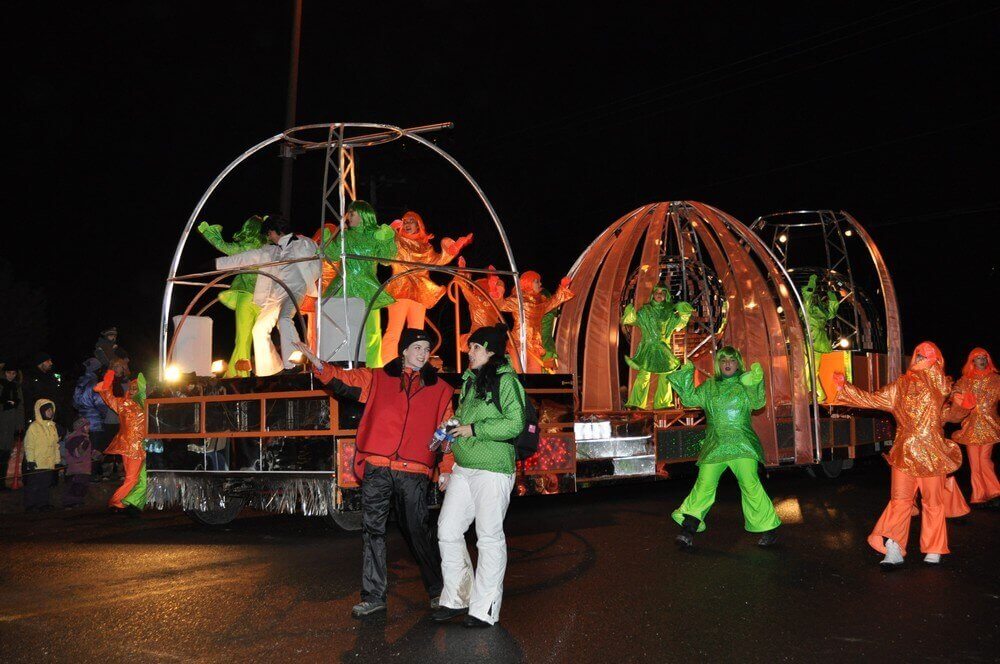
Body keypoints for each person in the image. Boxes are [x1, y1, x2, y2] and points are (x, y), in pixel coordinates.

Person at [293, 327, 454, 619]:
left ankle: (437, 590)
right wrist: (319, 365)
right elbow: (345, 381)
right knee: (373, 531)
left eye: (426, 349)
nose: (422, 353)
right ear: (404, 351)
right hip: (378, 466)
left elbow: (447, 433)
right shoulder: (378, 378)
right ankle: (373, 596)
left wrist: (446, 468)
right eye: (417, 347)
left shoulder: (441, 389)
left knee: (417, 530)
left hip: (414, 470)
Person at [832, 341, 966, 567]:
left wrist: (963, 407)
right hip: (905, 452)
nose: (924, 356)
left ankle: (934, 547)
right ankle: (894, 547)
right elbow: (872, 399)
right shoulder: (900, 385)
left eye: (930, 353)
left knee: (933, 502)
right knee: (900, 500)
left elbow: (949, 416)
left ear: (937, 358)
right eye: (920, 353)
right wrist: (845, 387)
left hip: (933, 452)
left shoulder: (942, 386)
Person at [433, 324, 526, 628]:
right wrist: (449, 430)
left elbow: (515, 424)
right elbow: (464, 418)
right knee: (447, 529)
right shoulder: (471, 383)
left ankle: (484, 608)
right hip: (463, 466)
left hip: (493, 469)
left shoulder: (507, 382)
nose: (469, 352)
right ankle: (458, 597)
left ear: (491, 351)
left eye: (475, 347)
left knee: (488, 538)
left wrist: (474, 429)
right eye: (470, 347)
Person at [667, 347, 781, 549]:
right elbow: (690, 399)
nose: (727, 363)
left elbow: (757, 402)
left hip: (742, 444)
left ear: (738, 362)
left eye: (731, 360)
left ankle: (768, 530)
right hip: (715, 445)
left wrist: (754, 383)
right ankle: (688, 529)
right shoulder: (710, 386)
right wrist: (685, 373)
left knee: (750, 485)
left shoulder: (745, 383)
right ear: (718, 364)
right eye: (723, 360)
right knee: (704, 485)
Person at [215, 214, 320, 376]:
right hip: (275, 294)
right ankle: (271, 370)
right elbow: (245, 258)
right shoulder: (270, 250)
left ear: (276, 230)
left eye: (269, 233)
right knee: (258, 329)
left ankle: (294, 364)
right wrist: (217, 264)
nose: (268, 237)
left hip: (293, 290)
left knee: (284, 319)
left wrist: (307, 281)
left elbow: (316, 263)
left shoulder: (302, 243)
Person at [381, 210, 473, 363]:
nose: (407, 224)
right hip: (400, 291)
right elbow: (383, 252)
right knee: (394, 331)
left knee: (417, 332)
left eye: (411, 221)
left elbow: (438, 261)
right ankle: (388, 366)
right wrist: (389, 231)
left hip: (419, 293)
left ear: (419, 225)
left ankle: (415, 365)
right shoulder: (397, 241)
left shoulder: (426, 248)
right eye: (405, 221)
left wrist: (452, 249)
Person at [320, 200, 397, 368]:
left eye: (351, 213)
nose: (348, 217)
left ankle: (373, 371)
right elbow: (331, 255)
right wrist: (329, 236)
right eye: (348, 213)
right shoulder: (344, 236)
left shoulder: (375, 234)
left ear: (363, 215)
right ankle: (344, 370)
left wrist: (386, 238)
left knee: (372, 332)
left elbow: (386, 260)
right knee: (342, 331)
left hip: (367, 287)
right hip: (344, 288)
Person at [197, 216, 268, 376]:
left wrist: (209, 232)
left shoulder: (244, 248)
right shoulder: (269, 248)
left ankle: (239, 376)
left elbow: (222, 246)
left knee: (243, 338)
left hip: (247, 298)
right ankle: (247, 374)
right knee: (257, 338)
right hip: (265, 299)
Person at [622, 285, 694, 409]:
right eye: (657, 292)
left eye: (662, 292)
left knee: (666, 376)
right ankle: (636, 404)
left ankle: (663, 404)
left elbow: (679, 324)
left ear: (666, 295)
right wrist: (630, 312)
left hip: (664, 348)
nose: (659, 294)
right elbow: (635, 320)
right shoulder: (645, 310)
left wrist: (683, 311)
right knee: (643, 376)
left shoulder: (670, 312)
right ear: (653, 294)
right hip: (648, 348)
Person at [948, 347, 1000, 508]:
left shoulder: (996, 379)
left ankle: (995, 491)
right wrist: (958, 397)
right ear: (972, 361)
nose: (982, 360)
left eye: (984, 357)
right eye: (978, 358)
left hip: (989, 425)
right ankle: (978, 495)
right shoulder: (965, 380)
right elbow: (954, 392)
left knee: (984, 459)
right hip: (971, 427)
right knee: (974, 463)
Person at [94, 366, 147, 514]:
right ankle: (116, 502)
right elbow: (109, 398)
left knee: (134, 478)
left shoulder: (144, 404)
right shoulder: (125, 404)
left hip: (135, 447)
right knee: (132, 479)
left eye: (136, 388)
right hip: (132, 448)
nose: (134, 391)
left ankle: (127, 503)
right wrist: (108, 381)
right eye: (132, 388)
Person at [497, 271, 573, 373]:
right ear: (528, 283)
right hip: (519, 342)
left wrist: (563, 286)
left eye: (539, 281)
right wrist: (496, 292)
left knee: (534, 376)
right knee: (518, 375)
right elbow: (501, 305)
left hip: (534, 344)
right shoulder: (518, 299)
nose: (540, 284)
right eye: (537, 281)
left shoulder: (541, 301)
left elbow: (554, 301)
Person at [800, 274, 840, 402]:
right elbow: (808, 295)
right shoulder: (808, 309)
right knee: (809, 370)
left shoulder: (816, 310)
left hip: (815, 341)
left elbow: (833, 309)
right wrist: (814, 283)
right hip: (809, 341)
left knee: (810, 370)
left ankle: (815, 396)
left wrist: (829, 291)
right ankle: (817, 395)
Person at [454, 257, 506, 352]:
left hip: (480, 336)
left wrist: (461, 270)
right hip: (484, 336)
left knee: (482, 348)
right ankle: (494, 290)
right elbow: (464, 287)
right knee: (483, 348)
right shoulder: (480, 300)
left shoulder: (476, 300)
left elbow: (464, 287)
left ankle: (494, 290)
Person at [72, 358, 109, 480]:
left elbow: (75, 403)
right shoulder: (95, 384)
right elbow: (100, 403)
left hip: (82, 420)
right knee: (96, 448)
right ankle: (93, 475)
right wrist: (103, 415)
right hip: (95, 421)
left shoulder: (80, 383)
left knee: (85, 448)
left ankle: (84, 474)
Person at [23, 398, 60, 511]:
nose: (50, 412)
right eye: (47, 410)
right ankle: (31, 505)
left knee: (45, 485)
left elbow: (56, 446)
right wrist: (30, 460)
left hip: (48, 463)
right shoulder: (34, 427)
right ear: (41, 411)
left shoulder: (52, 426)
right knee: (34, 485)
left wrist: (57, 461)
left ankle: (43, 504)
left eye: (51, 410)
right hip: (37, 463)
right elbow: (29, 445)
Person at [21, 352, 64, 428]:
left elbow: (57, 395)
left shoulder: (52, 377)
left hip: (53, 416)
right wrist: (31, 416)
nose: (51, 363)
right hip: (38, 418)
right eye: (47, 361)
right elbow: (28, 399)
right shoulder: (31, 379)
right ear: (40, 363)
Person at [62, 417, 96, 508]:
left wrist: (98, 455)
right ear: (81, 427)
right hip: (77, 468)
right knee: (77, 486)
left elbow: (89, 452)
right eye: (87, 426)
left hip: (83, 467)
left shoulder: (84, 438)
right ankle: (70, 504)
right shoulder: (76, 438)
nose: (88, 428)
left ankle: (77, 503)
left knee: (82, 487)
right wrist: (83, 446)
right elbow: (76, 453)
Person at [1, 364, 25, 484]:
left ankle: (2, 482)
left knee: (5, 454)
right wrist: (5, 403)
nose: (11, 375)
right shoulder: (1, 385)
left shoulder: (17, 387)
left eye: (13, 373)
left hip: (10, 426)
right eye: (8, 372)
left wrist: (20, 425)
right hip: (1, 423)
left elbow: (20, 407)